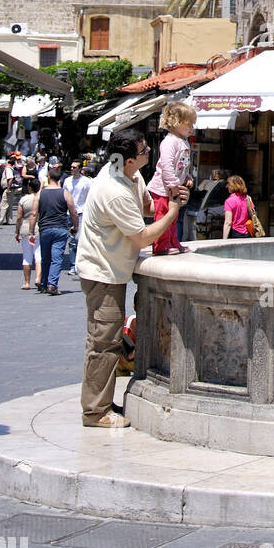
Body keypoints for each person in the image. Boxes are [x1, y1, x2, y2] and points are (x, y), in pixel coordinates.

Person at [75, 129, 189, 428]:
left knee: (107, 340)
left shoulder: (129, 175)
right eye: (143, 152)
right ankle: (95, 412)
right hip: (102, 273)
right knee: (104, 342)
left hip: (112, 269)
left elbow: (148, 207)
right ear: (127, 160)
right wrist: (174, 211)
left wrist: (167, 197)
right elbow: (142, 237)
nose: (148, 153)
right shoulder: (113, 190)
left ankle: (100, 401)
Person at [148, 102, 197, 255]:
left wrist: (187, 176)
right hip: (163, 189)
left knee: (173, 217)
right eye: (189, 124)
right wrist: (173, 184)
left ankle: (173, 241)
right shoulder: (169, 142)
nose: (192, 128)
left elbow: (182, 164)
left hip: (173, 188)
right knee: (163, 217)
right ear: (176, 122)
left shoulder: (183, 141)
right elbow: (167, 165)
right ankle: (160, 245)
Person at [29, 166, 78, 295]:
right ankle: (52, 284)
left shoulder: (40, 193)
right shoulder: (65, 193)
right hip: (60, 229)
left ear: (48, 178)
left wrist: (31, 232)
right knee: (57, 259)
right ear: (59, 179)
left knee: (45, 258)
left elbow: (34, 214)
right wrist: (75, 226)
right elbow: (73, 212)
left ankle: (44, 284)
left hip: (44, 229)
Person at [15, 176, 41, 289]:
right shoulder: (41, 198)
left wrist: (16, 231)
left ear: (29, 188)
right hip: (38, 228)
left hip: (25, 229)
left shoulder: (23, 200)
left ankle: (26, 283)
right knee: (39, 255)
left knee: (27, 256)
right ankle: (38, 278)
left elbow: (19, 217)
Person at [65, 160, 90, 276]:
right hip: (69, 213)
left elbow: (91, 196)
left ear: (80, 169)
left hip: (81, 212)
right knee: (71, 240)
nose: (72, 169)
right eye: (71, 167)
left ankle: (80, 264)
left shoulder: (86, 182)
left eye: (74, 167)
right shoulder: (67, 181)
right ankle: (73, 265)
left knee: (78, 239)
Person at [222, 174, 253, 239]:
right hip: (247, 232)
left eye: (229, 185)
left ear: (232, 186)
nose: (227, 186)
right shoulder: (248, 198)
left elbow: (228, 222)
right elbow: (252, 214)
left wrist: (224, 239)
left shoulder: (229, 201)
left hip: (234, 233)